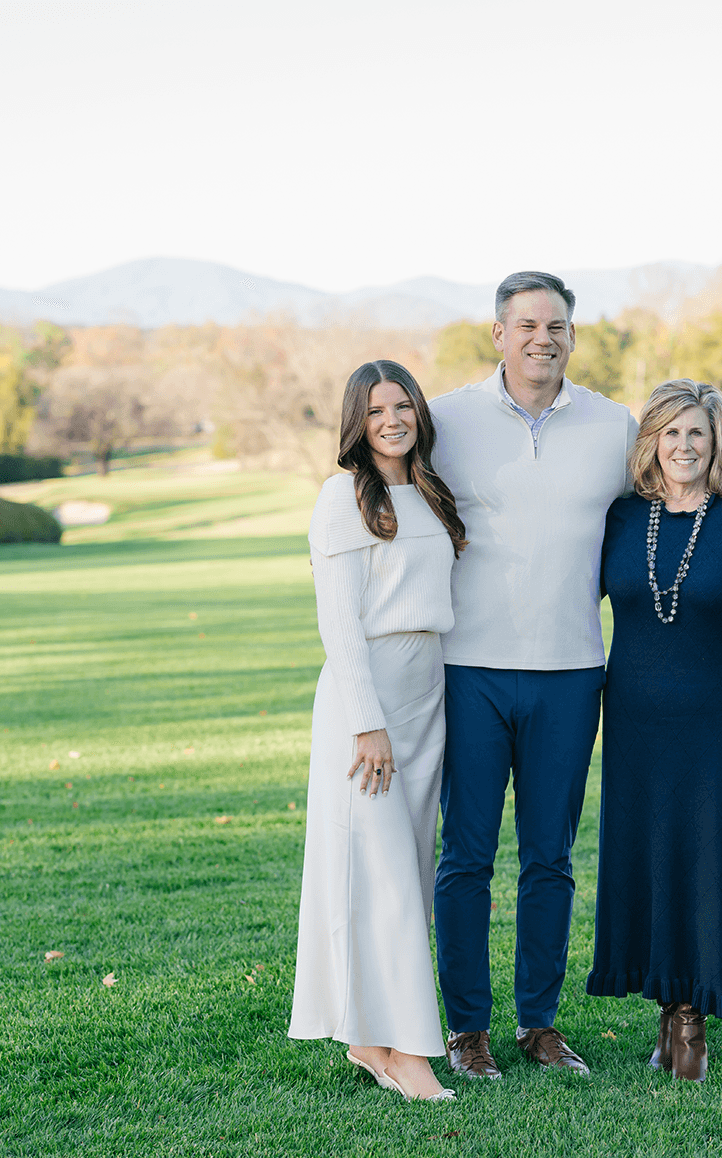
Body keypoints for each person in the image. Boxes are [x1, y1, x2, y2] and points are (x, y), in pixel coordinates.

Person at [428, 271, 639, 1079]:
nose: (542, 338)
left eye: (556, 325)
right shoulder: (446, 419)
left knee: (550, 856)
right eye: (526, 325)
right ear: (498, 334)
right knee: (467, 855)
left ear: (573, 336)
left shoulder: (612, 426)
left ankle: (539, 1025)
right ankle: (467, 1029)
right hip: (469, 667)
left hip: (570, 672)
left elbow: (665, 507)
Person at [288, 360, 469, 1103]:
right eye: (375, 411)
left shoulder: (428, 490)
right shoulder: (342, 498)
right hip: (370, 706)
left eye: (403, 406)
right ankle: (408, 1054)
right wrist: (367, 724)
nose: (392, 420)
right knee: (386, 876)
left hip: (428, 694)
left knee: (406, 876)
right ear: (355, 425)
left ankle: (371, 1038)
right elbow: (340, 623)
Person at [587, 380, 722, 1082]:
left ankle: (692, 1019)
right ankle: (663, 1005)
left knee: (706, 858)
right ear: (651, 443)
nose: (684, 446)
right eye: (671, 433)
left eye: (697, 433)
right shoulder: (624, 518)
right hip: (632, 717)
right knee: (646, 856)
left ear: (716, 441)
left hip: (717, 715)